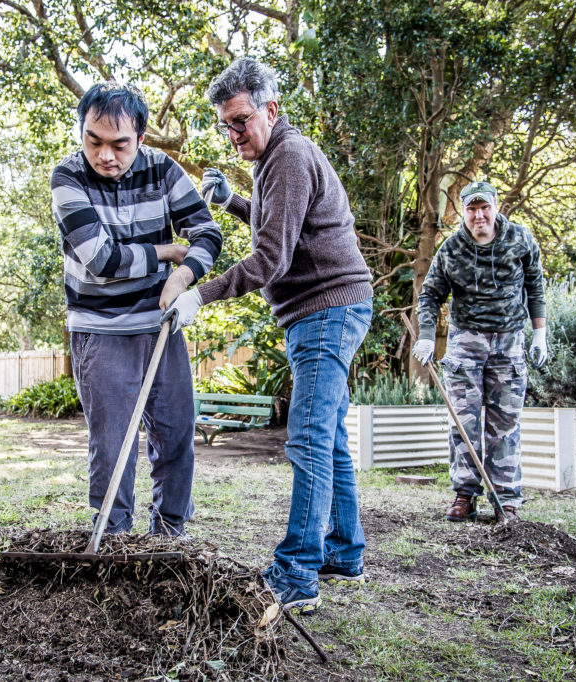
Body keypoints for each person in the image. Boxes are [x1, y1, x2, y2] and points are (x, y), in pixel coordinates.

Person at [163, 57, 374, 613]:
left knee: (306, 437)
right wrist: (230, 200)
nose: (233, 135)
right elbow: (280, 219)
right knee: (328, 438)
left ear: (271, 110)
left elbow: (272, 257)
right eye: (224, 125)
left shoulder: (290, 155)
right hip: (327, 309)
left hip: (326, 309)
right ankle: (344, 550)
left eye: (240, 121)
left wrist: (198, 295)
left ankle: (297, 573)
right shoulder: (277, 159)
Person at [51, 82, 222, 536]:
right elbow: (101, 260)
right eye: (94, 141)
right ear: (82, 132)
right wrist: (167, 253)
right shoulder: (67, 178)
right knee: (113, 445)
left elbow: (207, 235)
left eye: (119, 144)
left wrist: (184, 280)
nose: (105, 155)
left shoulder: (163, 170)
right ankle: (112, 536)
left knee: (175, 433)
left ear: (141, 138)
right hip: (100, 329)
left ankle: (169, 533)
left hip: (160, 327)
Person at [411, 180, 548, 523]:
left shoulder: (520, 239)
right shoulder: (451, 249)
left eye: (484, 207)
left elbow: (535, 285)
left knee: (505, 425)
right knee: (464, 423)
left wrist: (540, 334)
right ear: (463, 213)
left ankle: (507, 500)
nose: (478, 215)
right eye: (471, 209)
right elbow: (430, 295)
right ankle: (465, 495)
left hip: (510, 341)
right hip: (465, 343)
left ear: (495, 207)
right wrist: (427, 336)